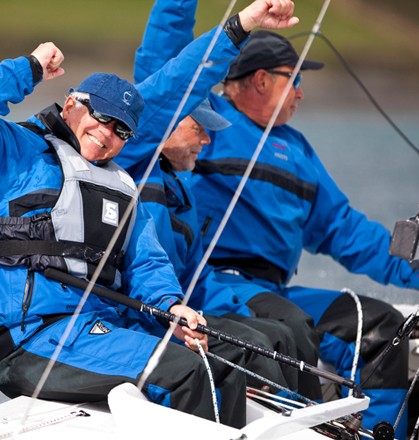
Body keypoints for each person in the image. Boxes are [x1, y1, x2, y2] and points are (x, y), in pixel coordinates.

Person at [0, 0, 299, 427]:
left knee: (225, 356)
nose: (107, 133)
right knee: (184, 373)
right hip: (26, 337)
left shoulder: (121, 185)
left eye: (121, 129)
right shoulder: (10, 156)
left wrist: (170, 306)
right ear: (71, 104)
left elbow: (145, 260)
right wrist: (28, 68)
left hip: (93, 330)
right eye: (101, 117)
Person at [166, 24, 419, 438]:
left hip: (273, 290)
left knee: (386, 328)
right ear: (261, 80)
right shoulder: (206, 122)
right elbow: (167, 68)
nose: (300, 92)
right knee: (290, 325)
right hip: (214, 284)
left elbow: (343, 229)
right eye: (293, 80)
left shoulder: (298, 150)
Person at [115, 0, 319, 399]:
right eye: (199, 128)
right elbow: (165, 59)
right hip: (138, 318)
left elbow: (194, 277)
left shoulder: (181, 190)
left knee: (281, 333)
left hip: (181, 310)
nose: (207, 140)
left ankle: (311, 418)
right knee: (266, 343)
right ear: (169, 120)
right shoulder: (132, 155)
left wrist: (244, 312)